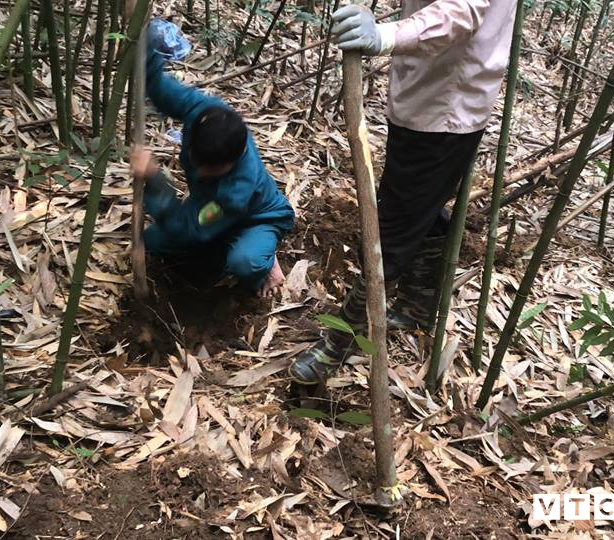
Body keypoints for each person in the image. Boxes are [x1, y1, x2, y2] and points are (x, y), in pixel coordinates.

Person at [289, 0, 517, 383]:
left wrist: (384, 35)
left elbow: (461, 11)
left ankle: (344, 338)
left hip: (446, 106)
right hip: (425, 94)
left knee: (393, 228)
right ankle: (417, 305)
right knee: (420, 207)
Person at [131, 42, 295, 297]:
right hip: (208, 214)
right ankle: (220, 245)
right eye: (198, 163)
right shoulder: (206, 114)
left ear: (234, 161)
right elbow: (162, 89)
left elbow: (187, 226)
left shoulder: (235, 191)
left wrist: (153, 179)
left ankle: (263, 257)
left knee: (244, 263)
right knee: (151, 240)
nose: (200, 174)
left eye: (212, 170)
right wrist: (143, 50)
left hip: (257, 218)